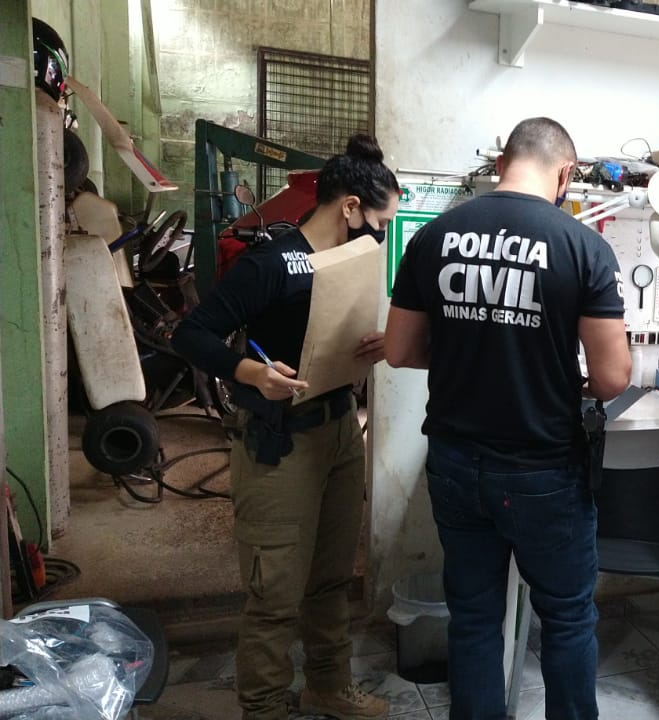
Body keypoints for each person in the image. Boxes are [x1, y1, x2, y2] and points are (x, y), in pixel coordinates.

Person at [384, 116, 631, 720]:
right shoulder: (582, 247)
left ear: (500, 164)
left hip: (454, 463)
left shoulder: (434, 237)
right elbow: (611, 378)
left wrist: (471, 350)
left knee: (473, 616)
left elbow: (399, 350)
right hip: (543, 468)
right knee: (566, 619)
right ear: (566, 174)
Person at [171, 135, 399, 720]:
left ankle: (328, 686)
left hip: (339, 431)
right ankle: (264, 706)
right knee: (274, 590)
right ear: (349, 206)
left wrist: (371, 346)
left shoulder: (349, 260)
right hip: (279, 441)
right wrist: (251, 370)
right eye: (378, 223)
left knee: (331, 578)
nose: (380, 236)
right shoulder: (272, 262)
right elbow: (191, 334)